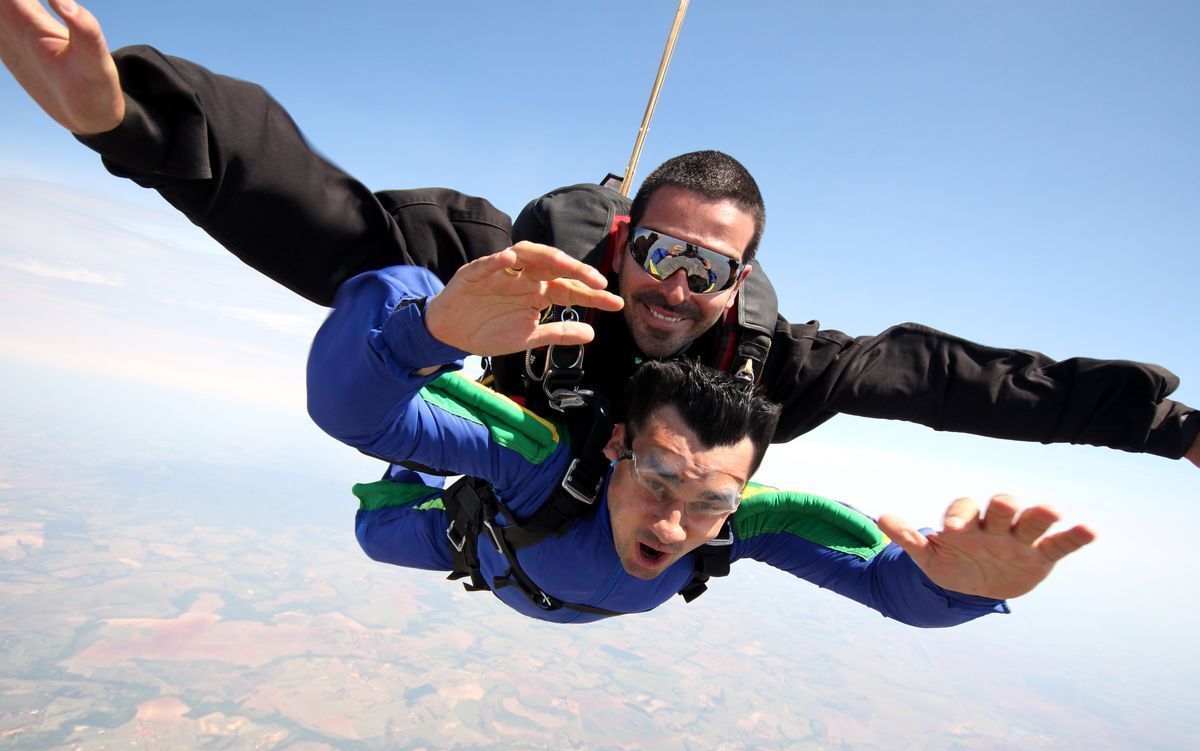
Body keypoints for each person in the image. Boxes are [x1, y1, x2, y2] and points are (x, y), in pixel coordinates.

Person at [3, 0, 1198, 469]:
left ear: (740, 282)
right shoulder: (519, 265)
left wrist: (1169, 431)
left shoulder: (771, 366)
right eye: (661, 251)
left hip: (644, 514)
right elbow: (325, 216)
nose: (676, 287)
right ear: (623, 236)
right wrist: (130, 120)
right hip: (530, 480)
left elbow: (962, 384)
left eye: (710, 269)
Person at [305, 244, 1096, 623]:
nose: (675, 523)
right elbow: (350, 413)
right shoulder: (536, 462)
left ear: (742, 492)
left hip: (516, 567)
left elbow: (888, 586)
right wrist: (427, 326)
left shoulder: (748, 523)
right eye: (657, 478)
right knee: (375, 528)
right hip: (474, 542)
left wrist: (964, 591)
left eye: (714, 499)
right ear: (615, 449)